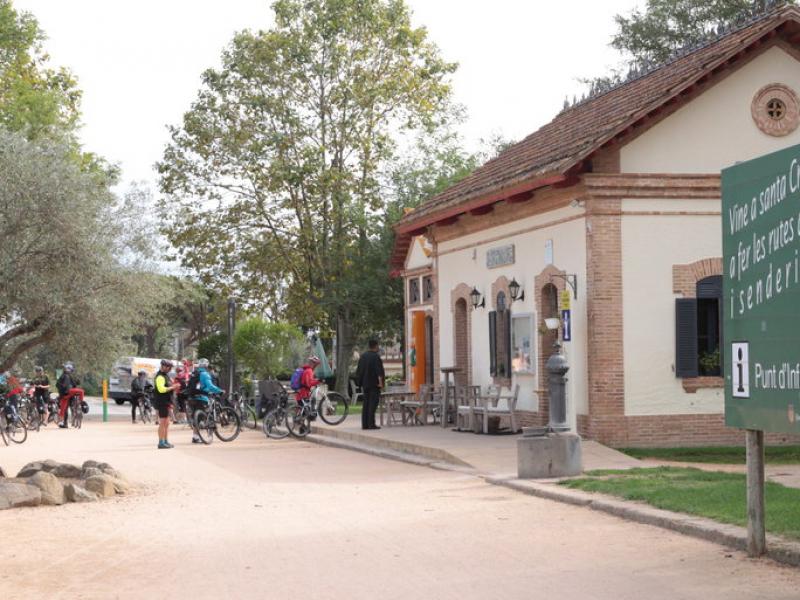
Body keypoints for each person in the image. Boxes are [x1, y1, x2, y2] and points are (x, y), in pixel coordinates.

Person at [189, 358, 222, 444]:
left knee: (196, 417)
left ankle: (195, 437)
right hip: (202, 397)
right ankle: (207, 435)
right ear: (206, 366)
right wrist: (220, 391)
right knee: (204, 417)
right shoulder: (205, 374)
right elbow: (210, 387)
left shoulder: (194, 373)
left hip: (192, 398)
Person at [355, 339, 385, 430]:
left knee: (366, 404)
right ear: (376, 346)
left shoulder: (363, 356)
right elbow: (379, 371)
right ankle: (371, 424)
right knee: (373, 404)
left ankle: (365, 424)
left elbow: (359, 371)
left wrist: (359, 383)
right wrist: (381, 384)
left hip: (365, 384)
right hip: (374, 384)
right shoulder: (376, 357)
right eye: (378, 346)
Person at [153, 359, 180, 449]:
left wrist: (174, 386)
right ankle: (161, 442)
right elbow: (161, 389)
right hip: (162, 402)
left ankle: (165, 441)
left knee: (167, 423)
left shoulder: (166, 376)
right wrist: (173, 387)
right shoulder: (160, 377)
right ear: (164, 366)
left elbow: (169, 386)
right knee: (163, 422)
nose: (170, 369)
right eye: (169, 367)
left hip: (167, 402)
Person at [57, 363, 84, 429]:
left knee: (64, 408)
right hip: (70, 393)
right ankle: (81, 403)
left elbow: (57, 385)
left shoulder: (63, 376)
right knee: (81, 392)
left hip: (64, 395)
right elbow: (75, 383)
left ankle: (64, 423)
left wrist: (62, 391)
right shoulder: (68, 376)